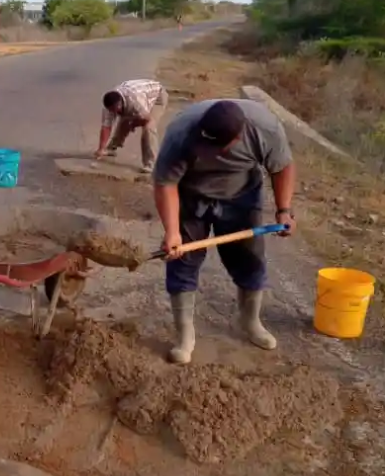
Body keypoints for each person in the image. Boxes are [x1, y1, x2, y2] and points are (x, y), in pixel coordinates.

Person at [152, 99, 297, 364]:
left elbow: (282, 166)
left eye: (216, 149)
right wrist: (172, 232)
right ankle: (185, 335)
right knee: (182, 260)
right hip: (190, 195)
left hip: (241, 195)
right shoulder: (182, 132)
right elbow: (165, 184)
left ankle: (250, 321)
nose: (209, 153)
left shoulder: (264, 128)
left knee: (250, 260)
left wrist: (283, 210)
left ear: (238, 137)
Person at [95, 79, 169, 174]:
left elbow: (147, 118)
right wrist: (101, 149)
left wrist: (133, 124)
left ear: (120, 103)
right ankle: (110, 149)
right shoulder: (109, 107)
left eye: (115, 109)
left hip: (158, 97)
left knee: (148, 128)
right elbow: (106, 127)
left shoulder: (135, 101)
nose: (114, 112)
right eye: (111, 110)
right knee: (124, 120)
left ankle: (151, 164)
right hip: (137, 97)